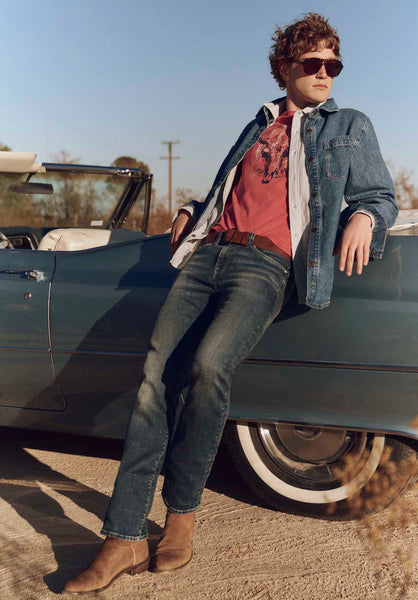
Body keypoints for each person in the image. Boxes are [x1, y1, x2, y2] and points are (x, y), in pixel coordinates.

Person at [64, 12, 397, 594]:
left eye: (334, 64)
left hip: (267, 265)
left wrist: (366, 216)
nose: (325, 72)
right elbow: (230, 189)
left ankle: (182, 515)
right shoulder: (258, 122)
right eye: (313, 62)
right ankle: (123, 537)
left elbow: (379, 194)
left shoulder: (349, 125)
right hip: (209, 255)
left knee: (208, 367)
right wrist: (193, 208)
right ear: (285, 67)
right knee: (153, 381)